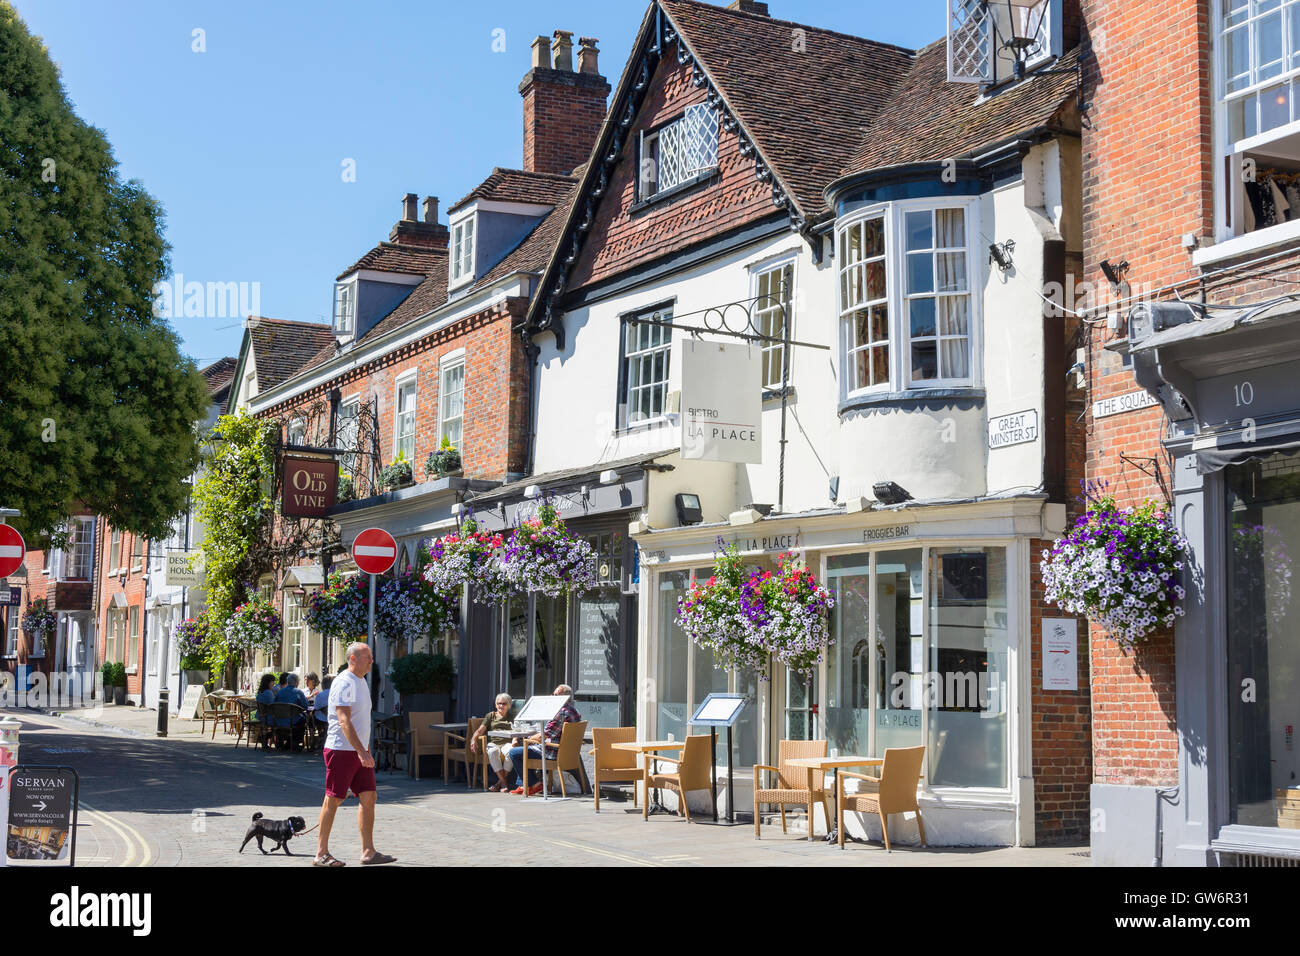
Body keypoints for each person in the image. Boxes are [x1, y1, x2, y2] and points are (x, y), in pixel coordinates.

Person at [315, 642, 394, 867]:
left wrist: (363, 751)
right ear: (352, 659)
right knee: (334, 798)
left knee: (369, 797)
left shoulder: (360, 681)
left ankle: (368, 851)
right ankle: (321, 853)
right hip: (341, 749)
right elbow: (343, 720)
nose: (371, 660)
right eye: (367, 656)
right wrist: (362, 751)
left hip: (358, 751)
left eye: (370, 656)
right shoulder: (345, 682)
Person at [507, 685, 581, 796]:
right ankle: (524, 785)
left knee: (514, 752)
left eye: (555, 695)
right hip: (567, 753)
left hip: (552, 752)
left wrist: (529, 738)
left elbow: (544, 735)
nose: (553, 697)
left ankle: (535, 784)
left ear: (564, 697)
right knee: (524, 750)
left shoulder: (561, 712)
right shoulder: (574, 710)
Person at [468, 693, 515, 792]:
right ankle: (503, 782)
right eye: (499, 703)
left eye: (504, 703)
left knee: (512, 752)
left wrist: (515, 739)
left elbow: (517, 730)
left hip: (507, 743)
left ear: (509, 705)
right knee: (493, 751)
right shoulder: (491, 716)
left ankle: (499, 783)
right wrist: (473, 739)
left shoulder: (512, 717)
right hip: (493, 742)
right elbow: (480, 730)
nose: (501, 706)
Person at [274, 673, 309, 747]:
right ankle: (294, 741)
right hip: (292, 720)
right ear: (296, 682)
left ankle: (286, 740)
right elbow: (305, 706)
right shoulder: (298, 692)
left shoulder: (280, 692)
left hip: (279, 720)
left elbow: (275, 704)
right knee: (303, 719)